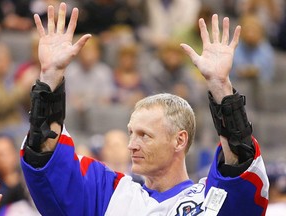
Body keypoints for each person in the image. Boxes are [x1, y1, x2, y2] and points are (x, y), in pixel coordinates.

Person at [20, 2, 269, 216]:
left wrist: (220, 86)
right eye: (131, 133)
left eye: (144, 135)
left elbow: (240, 175)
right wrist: (50, 77)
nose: (131, 144)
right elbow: (49, 163)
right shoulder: (109, 192)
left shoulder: (207, 202)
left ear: (179, 140)